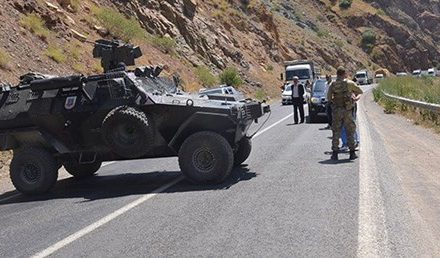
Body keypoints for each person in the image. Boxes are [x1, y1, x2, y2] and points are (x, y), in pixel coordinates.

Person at [327, 67, 363, 160]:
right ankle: (352, 153)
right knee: (350, 131)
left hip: (337, 111)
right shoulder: (349, 83)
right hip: (347, 110)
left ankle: (335, 153)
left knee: (336, 132)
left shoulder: (333, 84)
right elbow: (360, 91)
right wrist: (355, 98)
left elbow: (329, 98)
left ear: (337, 74)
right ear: (344, 73)